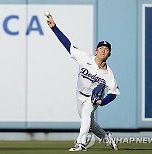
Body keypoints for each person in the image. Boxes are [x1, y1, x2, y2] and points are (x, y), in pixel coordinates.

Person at [46, 14, 120, 151]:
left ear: (109, 54)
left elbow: (114, 92)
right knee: (90, 123)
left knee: (86, 116)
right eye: (101, 48)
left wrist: (101, 102)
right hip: (79, 94)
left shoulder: (109, 74)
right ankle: (106, 137)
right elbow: (67, 45)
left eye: (106, 49)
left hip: (91, 99)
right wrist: (54, 28)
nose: (103, 50)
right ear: (96, 51)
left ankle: (81, 143)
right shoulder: (84, 58)